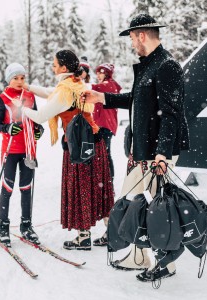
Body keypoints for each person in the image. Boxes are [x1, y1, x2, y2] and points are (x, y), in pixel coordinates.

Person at [82, 14, 190, 281]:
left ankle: (166, 262)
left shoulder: (167, 66)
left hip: (158, 153)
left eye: (132, 38)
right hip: (144, 150)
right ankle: (140, 255)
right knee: (132, 200)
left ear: (142, 35)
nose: (132, 43)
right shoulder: (150, 66)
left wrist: (162, 154)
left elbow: (171, 114)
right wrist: (102, 97)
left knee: (158, 208)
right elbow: (137, 99)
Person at [22, 49, 114, 251]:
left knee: (82, 187)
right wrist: (28, 87)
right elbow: (52, 94)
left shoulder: (65, 90)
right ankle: (111, 231)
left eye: (55, 64)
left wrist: (21, 109)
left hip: (77, 145)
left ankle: (83, 237)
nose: (52, 67)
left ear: (63, 67)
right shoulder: (76, 83)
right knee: (99, 187)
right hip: (93, 141)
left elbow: (41, 116)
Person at [0, 63, 44, 247]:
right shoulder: (3, 98)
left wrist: (39, 130)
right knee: (7, 187)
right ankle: (3, 226)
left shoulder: (30, 96)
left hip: (28, 150)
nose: (19, 81)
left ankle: (26, 225)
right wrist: (7, 128)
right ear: (9, 79)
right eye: (15, 78)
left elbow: (37, 120)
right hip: (10, 150)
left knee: (26, 188)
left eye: (22, 78)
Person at [90, 63, 122, 247]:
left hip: (105, 126)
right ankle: (107, 177)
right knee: (104, 153)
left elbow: (95, 90)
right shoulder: (107, 86)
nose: (99, 75)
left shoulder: (110, 85)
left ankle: (107, 178)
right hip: (103, 124)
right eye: (98, 73)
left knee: (105, 153)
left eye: (102, 72)